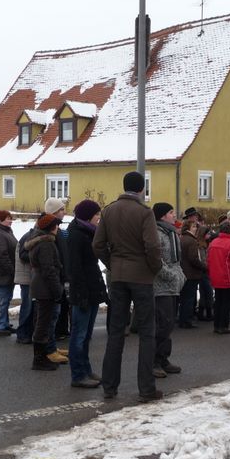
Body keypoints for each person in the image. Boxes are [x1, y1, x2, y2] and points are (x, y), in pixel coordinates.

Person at [92, 171, 163, 402]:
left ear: (124, 187)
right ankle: (146, 388)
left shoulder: (109, 210)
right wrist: (154, 268)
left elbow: (98, 244)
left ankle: (109, 386)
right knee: (147, 333)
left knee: (116, 332)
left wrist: (112, 263)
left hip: (118, 276)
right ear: (142, 189)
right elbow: (152, 247)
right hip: (142, 277)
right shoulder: (145, 212)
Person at [67, 199, 107, 387]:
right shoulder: (76, 235)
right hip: (82, 294)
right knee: (79, 336)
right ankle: (78, 375)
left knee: (86, 336)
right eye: (96, 214)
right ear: (88, 216)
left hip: (91, 291)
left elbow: (92, 266)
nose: (99, 217)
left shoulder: (89, 232)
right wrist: (82, 295)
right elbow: (75, 269)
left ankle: (86, 369)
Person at [151, 202, 185, 378]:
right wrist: (171, 275)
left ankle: (164, 358)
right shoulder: (156, 233)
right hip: (160, 286)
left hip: (173, 286)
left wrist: (180, 275)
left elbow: (176, 260)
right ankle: (154, 362)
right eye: (171, 212)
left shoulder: (171, 233)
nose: (174, 215)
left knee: (169, 324)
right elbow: (156, 260)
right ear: (163, 216)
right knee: (162, 325)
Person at [27, 214, 64, 371]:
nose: (58, 228)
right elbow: (49, 270)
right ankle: (39, 359)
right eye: (56, 225)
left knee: (43, 322)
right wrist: (57, 291)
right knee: (43, 323)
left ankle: (41, 357)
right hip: (45, 288)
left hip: (40, 286)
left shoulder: (39, 240)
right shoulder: (46, 244)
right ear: (51, 227)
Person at [206, 221, 230, 334]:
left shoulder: (213, 243)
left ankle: (217, 325)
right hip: (228, 277)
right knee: (226, 302)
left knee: (218, 301)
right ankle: (223, 326)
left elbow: (208, 260)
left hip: (215, 276)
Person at [45, 198, 71, 342]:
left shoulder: (59, 230)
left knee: (62, 305)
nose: (64, 212)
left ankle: (61, 331)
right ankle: (53, 338)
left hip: (61, 274)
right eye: (61, 210)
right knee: (55, 309)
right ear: (53, 212)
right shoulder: (49, 230)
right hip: (55, 276)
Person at [0, 210, 18, 336]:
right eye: (8, 219)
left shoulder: (6, 231)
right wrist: (12, 270)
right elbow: (2, 256)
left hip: (6, 274)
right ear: (0, 220)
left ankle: (4, 323)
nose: (11, 221)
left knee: (5, 300)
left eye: (11, 218)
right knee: (1, 301)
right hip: (1, 275)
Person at [179, 219, 205, 328]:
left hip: (184, 272)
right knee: (189, 298)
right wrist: (204, 266)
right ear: (188, 228)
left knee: (184, 298)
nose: (196, 228)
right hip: (191, 273)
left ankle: (182, 319)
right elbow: (193, 259)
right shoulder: (191, 240)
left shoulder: (182, 238)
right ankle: (186, 321)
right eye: (193, 226)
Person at [15, 223, 35, 345]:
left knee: (30, 307)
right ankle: (22, 334)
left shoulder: (32, 235)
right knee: (27, 307)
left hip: (30, 277)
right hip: (27, 278)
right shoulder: (29, 236)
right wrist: (37, 255)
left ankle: (27, 333)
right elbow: (23, 255)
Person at [196, 225, 214, 321]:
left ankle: (202, 313)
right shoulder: (201, 246)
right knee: (207, 292)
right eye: (208, 233)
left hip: (204, 272)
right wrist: (209, 267)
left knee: (204, 293)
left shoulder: (205, 244)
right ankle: (208, 313)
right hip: (204, 272)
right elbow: (203, 260)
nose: (210, 235)